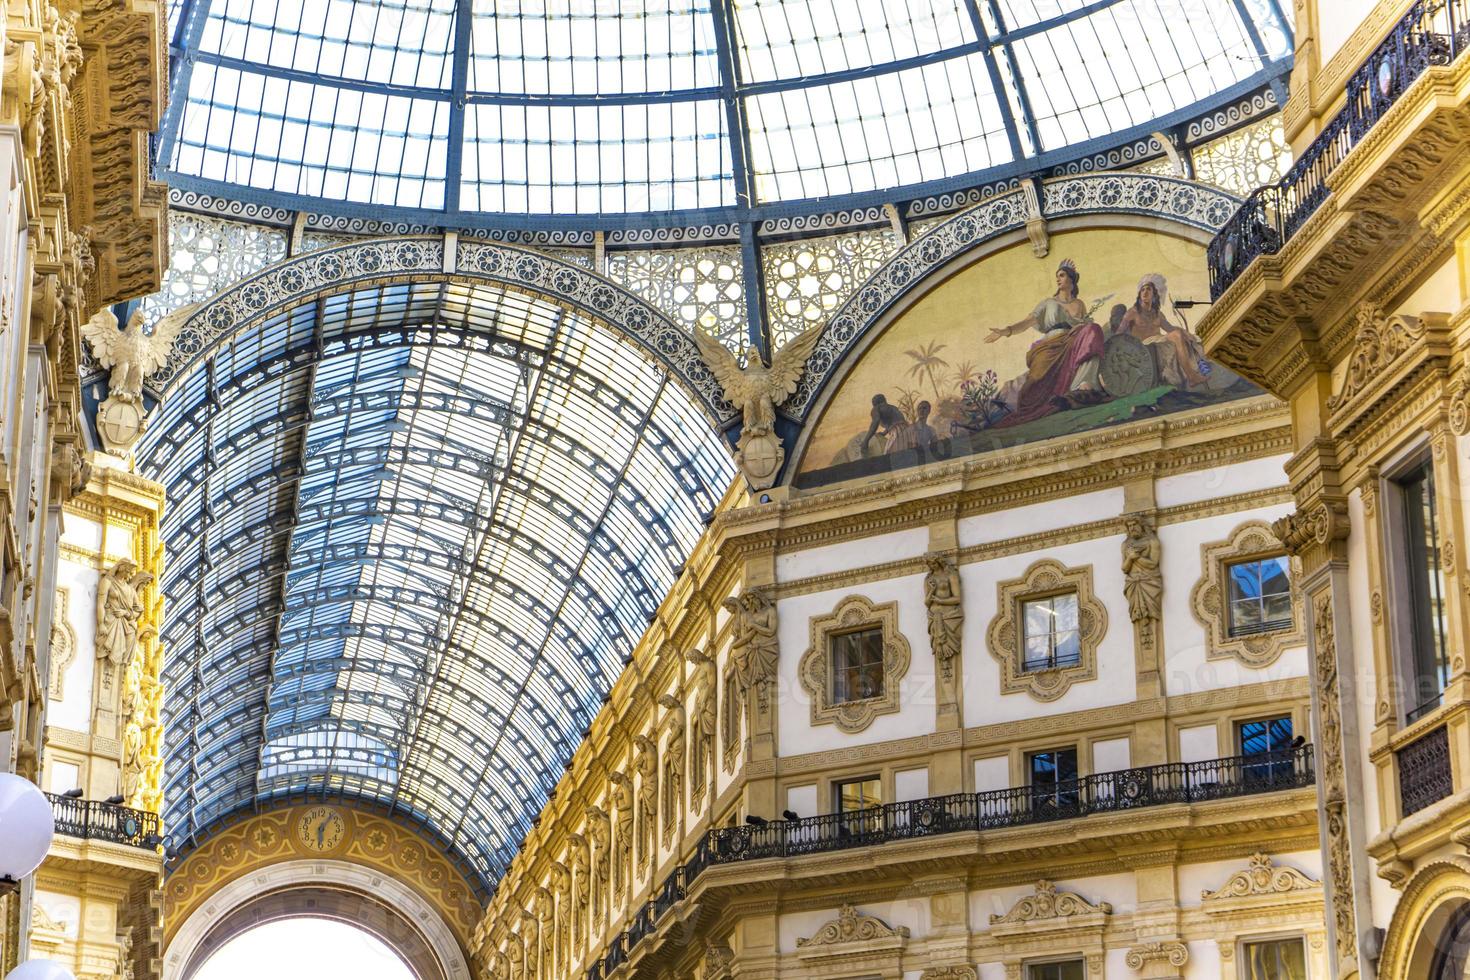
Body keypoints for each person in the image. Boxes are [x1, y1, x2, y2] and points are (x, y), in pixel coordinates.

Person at [985, 259, 1106, 426]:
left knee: (1093, 330)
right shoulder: (1048, 303)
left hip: (1073, 341)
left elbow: (1085, 329)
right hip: (1050, 346)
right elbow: (1027, 322)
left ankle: (1082, 386)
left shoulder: (1079, 304)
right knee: (1033, 386)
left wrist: (1083, 327)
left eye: (1062, 275)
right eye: (1057, 276)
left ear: (1071, 278)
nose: (1058, 279)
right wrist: (1006, 331)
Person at [1116, 274, 1209, 388]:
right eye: (1142, 290)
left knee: (1182, 334)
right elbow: (1119, 334)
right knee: (1177, 335)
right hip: (1144, 345)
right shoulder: (1132, 312)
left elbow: (1170, 329)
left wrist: (1186, 333)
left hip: (1160, 341)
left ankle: (1197, 372)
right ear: (1139, 295)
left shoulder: (1158, 314)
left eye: (1148, 290)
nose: (1145, 292)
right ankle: (1192, 377)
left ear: (1154, 294)